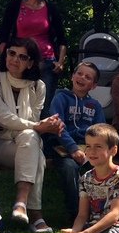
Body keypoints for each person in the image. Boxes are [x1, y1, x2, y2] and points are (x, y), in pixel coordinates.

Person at [0, 38, 64, 233]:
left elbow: (31, 123)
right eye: (11, 53)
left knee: (30, 139)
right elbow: (1, 116)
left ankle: (21, 204)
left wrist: (42, 126)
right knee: (36, 151)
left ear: (30, 63)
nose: (15, 59)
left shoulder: (38, 86)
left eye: (22, 57)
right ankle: (34, 213)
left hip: (24, 143)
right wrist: (39, 127)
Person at [50, 123, 119, 233]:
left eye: (98, 147)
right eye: (88, 146)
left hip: (118, 229)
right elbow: (82, 214)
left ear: (113, 150)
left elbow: (114, 215)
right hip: (93, 227)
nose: (91, 152)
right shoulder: (86, 178)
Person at [0, 0, 67, 109]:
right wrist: (8, 57)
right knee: (17, 104)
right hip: (20, 61)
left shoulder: (51, 8)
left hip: (46, 62)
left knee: (43, 107)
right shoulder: (15, 6)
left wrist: (60, 62)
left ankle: (43, 125)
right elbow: (2, 36)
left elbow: (62, 38)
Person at [44, 61, 106, 221]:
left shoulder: (95, 105)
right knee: (69, 167)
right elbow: (57, 127)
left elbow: (101, 130)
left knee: (103, 167)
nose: (82, 78)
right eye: (79, 73)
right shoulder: (60, 98)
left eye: (88, 77)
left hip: (88, 147)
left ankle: (102, 210)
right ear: (72, 76)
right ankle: (77, 213)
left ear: (93, 86)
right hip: (62, 146)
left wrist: (92, 149)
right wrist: (73, 148)